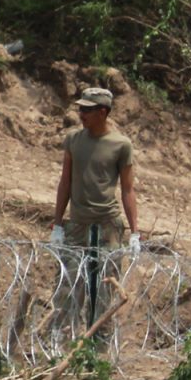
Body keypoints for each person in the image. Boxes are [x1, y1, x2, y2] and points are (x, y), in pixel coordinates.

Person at [49, 87, 140, 343]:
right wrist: (58, 225)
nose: (81, 114)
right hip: (77, 224)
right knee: (68, 285)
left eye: (87, 110)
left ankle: (99, 346)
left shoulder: (121, 145)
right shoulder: (74, 141)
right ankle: (62, 343)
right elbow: (64, 182)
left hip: (108, 225)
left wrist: (135, 233)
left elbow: (128, 189)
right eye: (80, 109)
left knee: (104, 289)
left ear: (103, 112)